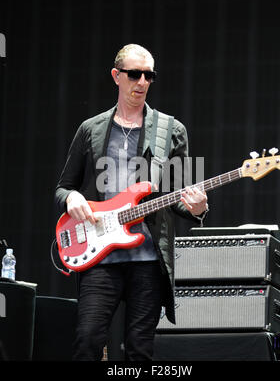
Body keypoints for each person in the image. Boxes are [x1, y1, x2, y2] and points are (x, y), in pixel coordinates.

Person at [55, 43, 208, 361]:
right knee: (87, 341)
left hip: (148, 260)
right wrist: (72, 197)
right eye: (134, 74)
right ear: (116, 76)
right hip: (100, 256)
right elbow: (63, 187)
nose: (142, 82)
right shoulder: (91, 129)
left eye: (149, 76)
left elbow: (175, 195)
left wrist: (197, 208)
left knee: (140, 349)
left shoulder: (171, 130)